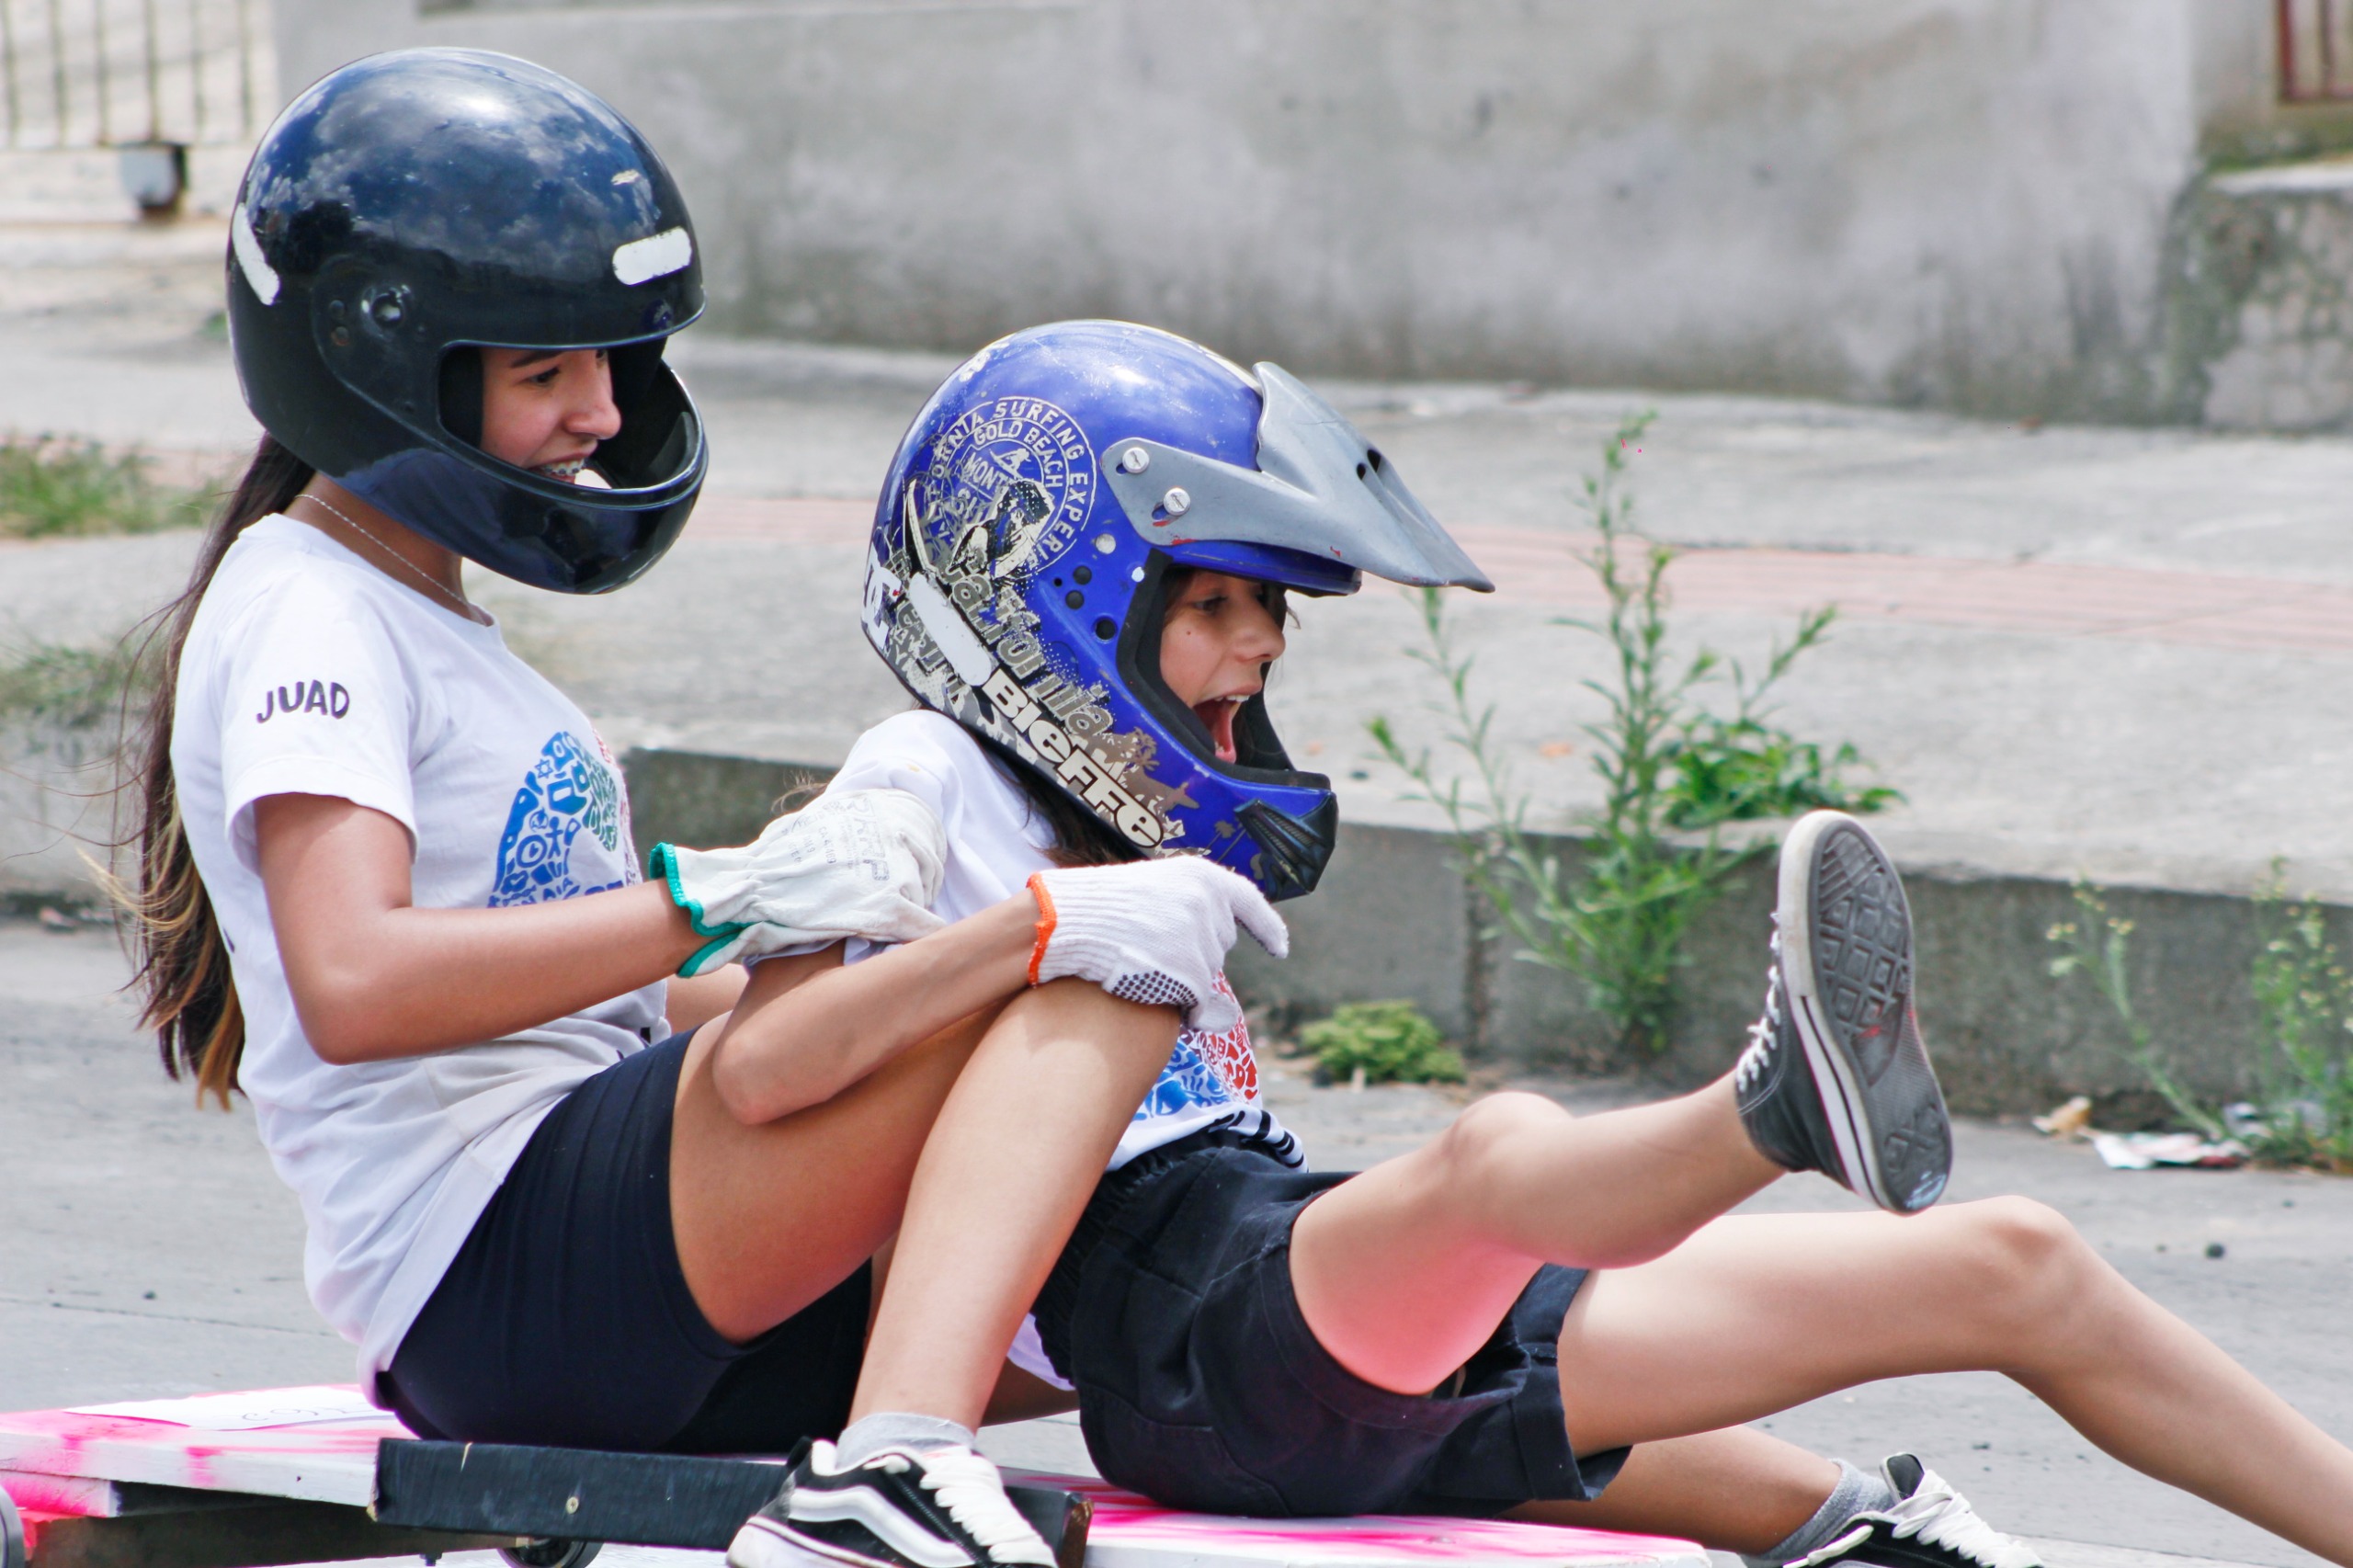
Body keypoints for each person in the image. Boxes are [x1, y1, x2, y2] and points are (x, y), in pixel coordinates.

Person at [714, 322, 2353, 1568]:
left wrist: (1805, 1509)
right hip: (1194, 1330)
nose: (1261, 645)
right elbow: (763, 1053)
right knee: (1494, 1154)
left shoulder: (1138, 852)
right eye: (1213, 603)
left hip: (1321, 1330)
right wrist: (1031, 932)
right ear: (1048, 600)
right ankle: (1774, 1109)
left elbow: (1465, 1401)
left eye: (1271, 615)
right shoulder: (924, 779)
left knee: (2016, 1263)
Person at [121, 54, 1272, 1555]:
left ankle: (1354, 1388)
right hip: (501, 1274)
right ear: (378, 362)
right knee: (1091, 948)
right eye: (547, 374)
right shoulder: (309, 606)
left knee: (1176, 1295)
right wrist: (733, 888)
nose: (602, 414)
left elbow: (619, 1005)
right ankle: (894, 1463)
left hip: (600, 1274)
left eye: (612, 363)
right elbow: (354, 982)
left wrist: (839, 949)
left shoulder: (417, 615)